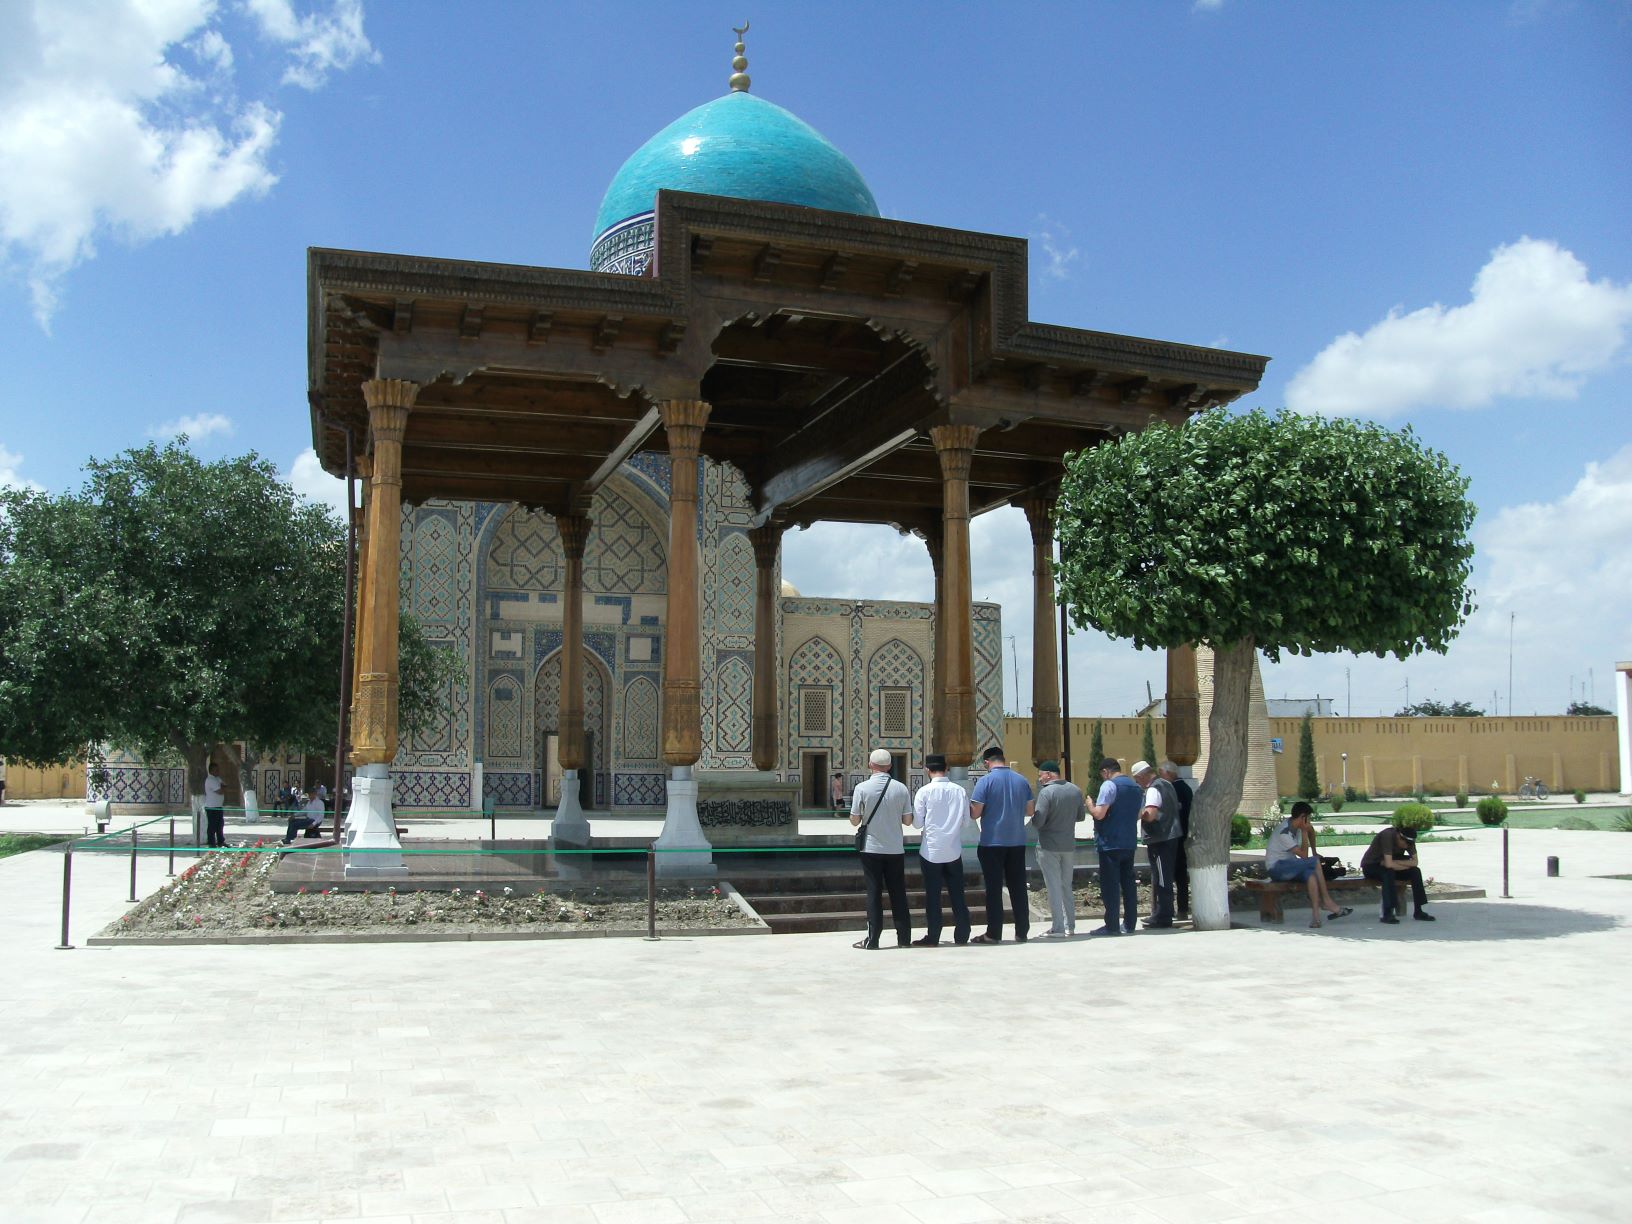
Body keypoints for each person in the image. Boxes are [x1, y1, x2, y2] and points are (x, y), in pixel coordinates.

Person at [850, 748, 914, 949]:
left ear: (870, 765)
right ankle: (904, 939)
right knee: (898, 894)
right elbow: (907, 820)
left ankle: (873, 940)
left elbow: (854, 820)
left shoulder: (862, 788)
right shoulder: (901, 788)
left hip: (871, 849)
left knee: (874, 893)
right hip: (895, 849)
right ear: (890, 766)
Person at [969, 745, 1033, 943]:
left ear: (987, 762)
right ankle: (1022, 931)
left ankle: (994, 932)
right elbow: (1030, 810)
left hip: (992, 843)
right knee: (1018, 887)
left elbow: (975, 813)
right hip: (1017, 841)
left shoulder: (985, 781)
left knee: (994, 889)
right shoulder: (1022, 780)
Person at [911, 754, 972, 946]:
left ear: (927, 770)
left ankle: (934, 935)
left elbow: (917, 823)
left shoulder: (924, 792)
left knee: (933, 896)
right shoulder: (959, 790)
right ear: (947, 769)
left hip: (931, 851)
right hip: (954, 850)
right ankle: (962, 935)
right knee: (957, 894)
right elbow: (966, 821)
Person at [1265, 802, 1351, 928]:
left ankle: (1315, 919)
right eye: (1308, 818)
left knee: (1311, 875)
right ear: (1302, 817)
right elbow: (1304, 856)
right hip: (1277, 868)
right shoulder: (1284, 832)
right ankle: (1327, 901)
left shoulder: (1297, 825)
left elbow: (1311, 831)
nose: (1309, 822)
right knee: (1314, 862)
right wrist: (1304, 833)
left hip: (1291, 865)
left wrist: (1315, 851)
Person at [1088, 758, 1142, 935]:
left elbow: (1100, 813)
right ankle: (1130, 924)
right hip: (1129, 841)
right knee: (1128, 884)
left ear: (1105, 772)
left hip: (1110, 842)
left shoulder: (1109, 786)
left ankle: (1111, 925)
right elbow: (1138, 814)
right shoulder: (1135, 787)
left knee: (1110, 886)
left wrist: (1090, 805)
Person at [1030, 761, 1082, 937]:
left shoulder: (1046, 792)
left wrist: (1032, 815)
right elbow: (1081, 817)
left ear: (1049, 775)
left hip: (1049, 845)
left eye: (1041, 775)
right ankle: (1071, 925)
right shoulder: (1075, 790)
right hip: (1068, 844)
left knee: (1053, 886)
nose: (1039, 778)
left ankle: (1058, 927)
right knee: (1066, 885)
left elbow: (1039, 821)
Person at [1133, 760, 1183, 928]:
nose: (1137, 783)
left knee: (1161, 878)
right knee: (1165, 876)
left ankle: (1163, 916)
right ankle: (1161, 913)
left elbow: (1151, 814)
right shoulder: (1167, 784)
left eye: (1137, 779)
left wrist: (1138, 814)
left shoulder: (1153, 789)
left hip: (1161, 838)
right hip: (1171, 835)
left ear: (1141, 776)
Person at [1361, 825, 1435, 924]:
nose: (1407, 846)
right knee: (1388, 873)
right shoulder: (1387, 836)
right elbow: (1389, 864)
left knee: (1415, 871)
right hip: (1372, 865)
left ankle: (1419, 911)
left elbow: (1415, 862)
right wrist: (1397, 864)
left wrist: (1396, 863)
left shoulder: (1409, 840)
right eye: (1406, 843)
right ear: (1399, 837)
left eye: (1410, 844)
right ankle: (1387, 913)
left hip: (1391, 863)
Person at [1160, 761, 1194, 917]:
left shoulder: (1173, 789)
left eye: (1162, 773)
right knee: (1181, 876)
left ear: (1169, 773)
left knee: (1170, 874)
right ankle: (1182, 909)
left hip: (1173, 836)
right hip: (1184, 834)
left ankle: (1168, 910)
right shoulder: (1186, 788)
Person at [202, 762, 226, 849]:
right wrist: (222, 787)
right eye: (216, 770)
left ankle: (220, 841)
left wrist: (222, 787)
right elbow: (220, 791)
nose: (218, 771)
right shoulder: (210, 780)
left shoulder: (217, 779)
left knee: (220, 825)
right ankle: (211, 843)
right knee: (212, 825)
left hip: (218, 806)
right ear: (211, 770)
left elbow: (224, 785)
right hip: (212, 807)